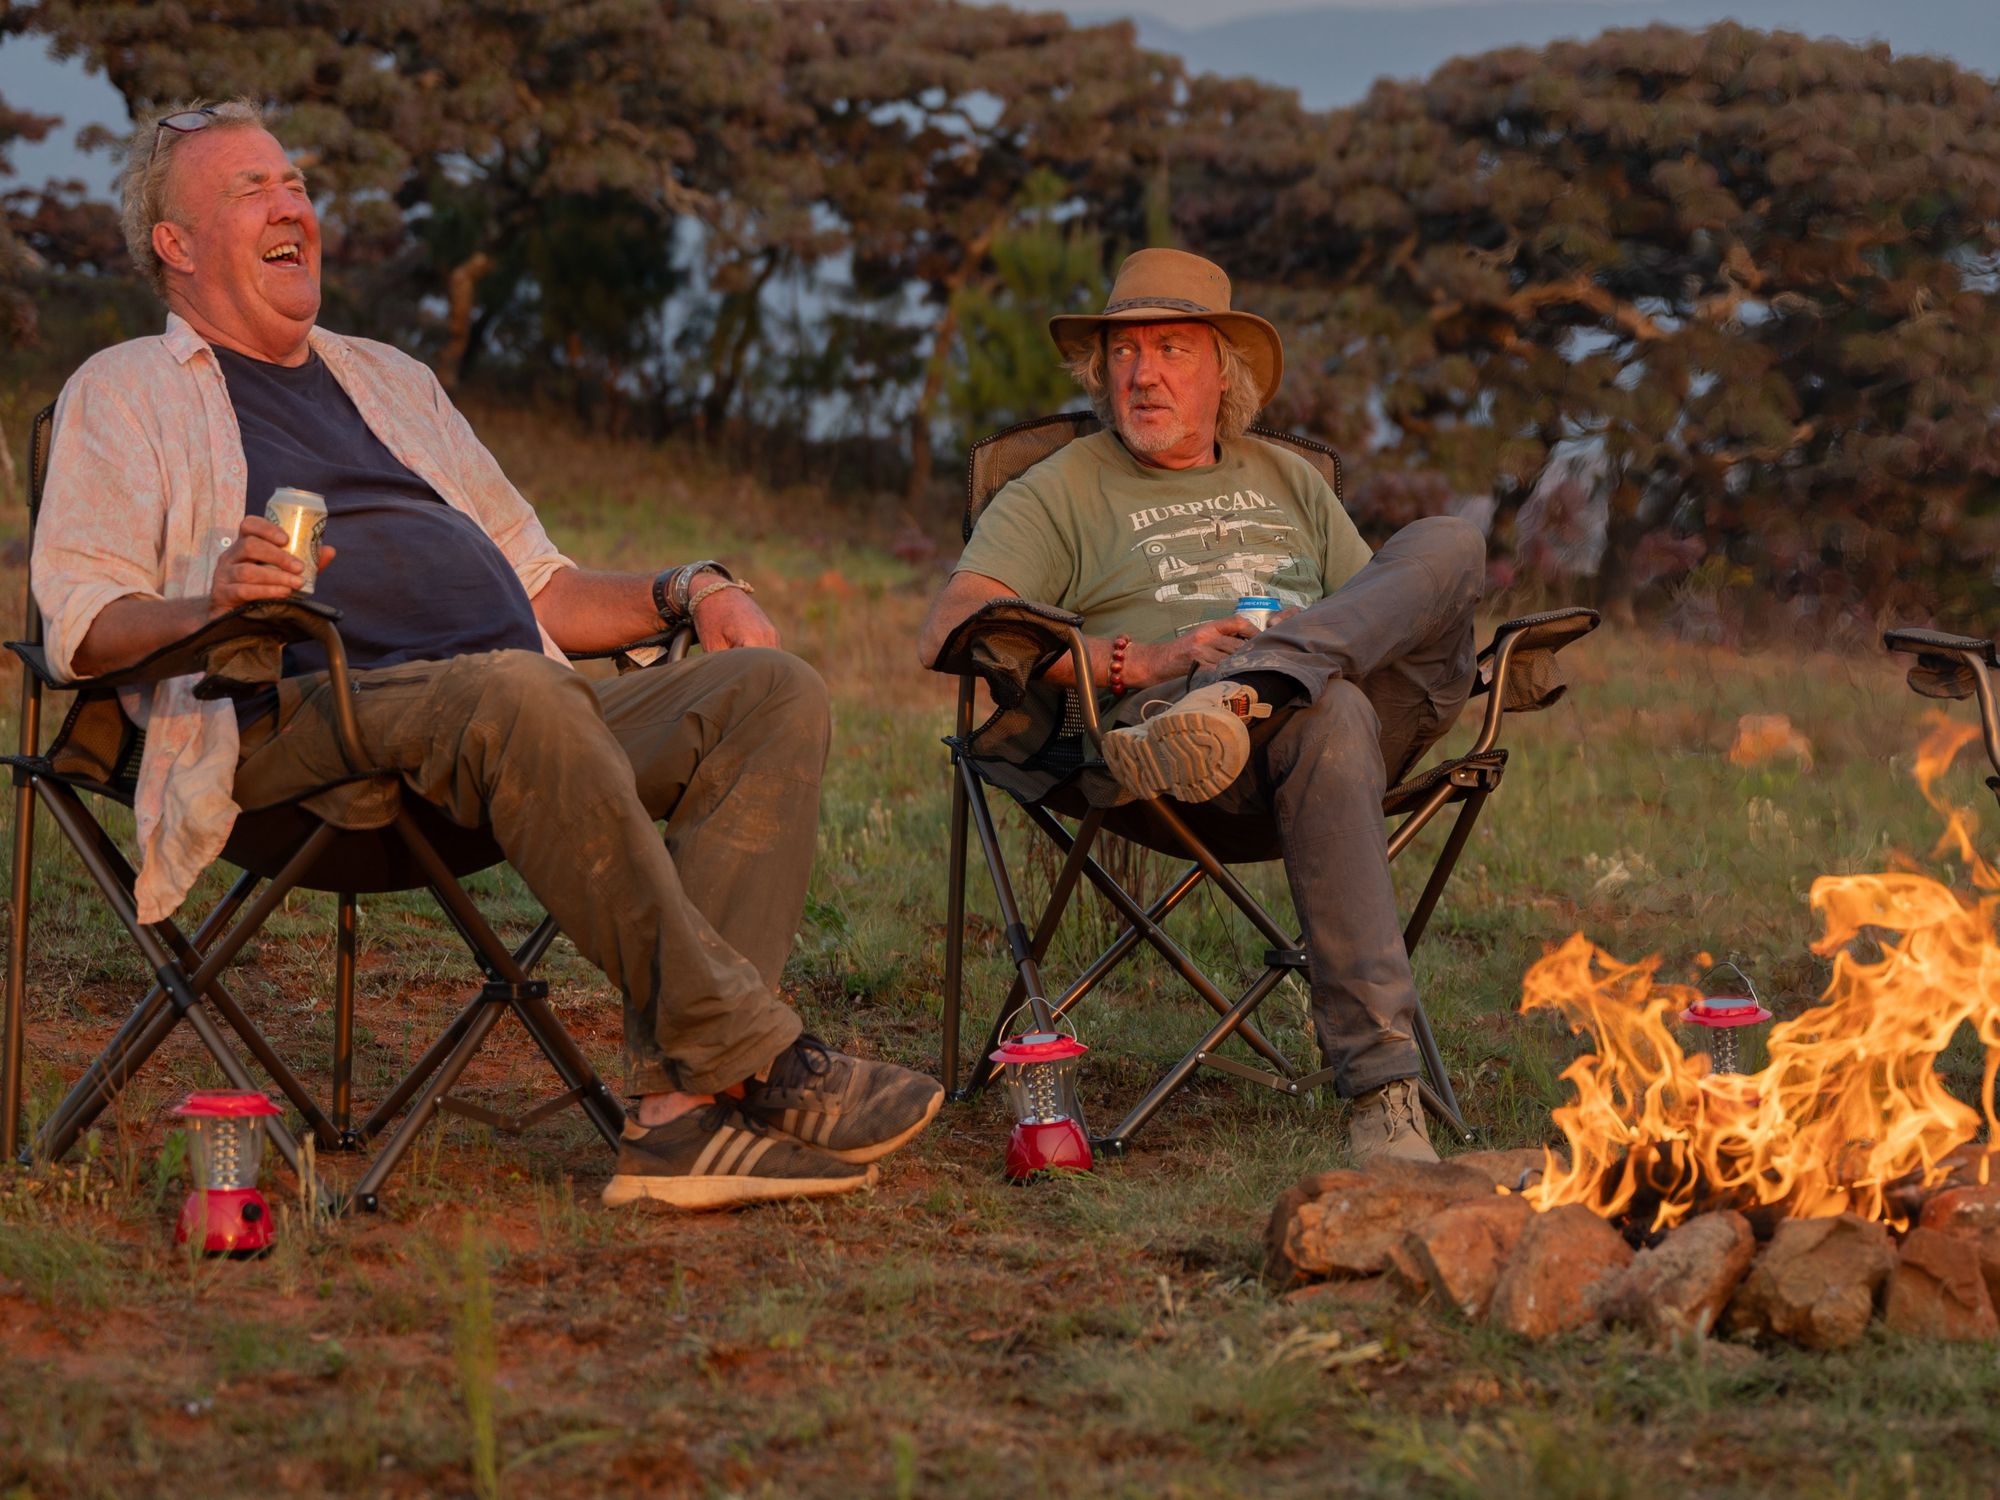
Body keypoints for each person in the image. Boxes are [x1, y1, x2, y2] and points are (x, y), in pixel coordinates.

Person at [35, 99, 941, 1211]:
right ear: (173, 246)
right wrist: (204, 600)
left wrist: (688, 585)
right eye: (249, 190)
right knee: (518, 693)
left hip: (514, 724)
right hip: (301, 729)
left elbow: (544, 585)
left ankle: (678, 1120)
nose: (291, 206)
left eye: (296, 185)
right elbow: (79, 621)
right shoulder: (124, 391)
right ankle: (760, 1057)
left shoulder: (390, 380)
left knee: (767, 693)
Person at [918, 249, 1485, 1166]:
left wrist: (1279, 658)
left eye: (1172, 349)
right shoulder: (1063, 486)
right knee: (1328, 713)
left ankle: (1263, 682)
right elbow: (949, 625)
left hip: (1335, 708)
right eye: (1124, 352)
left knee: (1449, 542)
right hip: (1175, 745)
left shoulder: (1291, 480)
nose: (1142, 374)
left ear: (1226, 371)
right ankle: (1385, 1098)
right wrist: (1141, 659)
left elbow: (1381, 608)